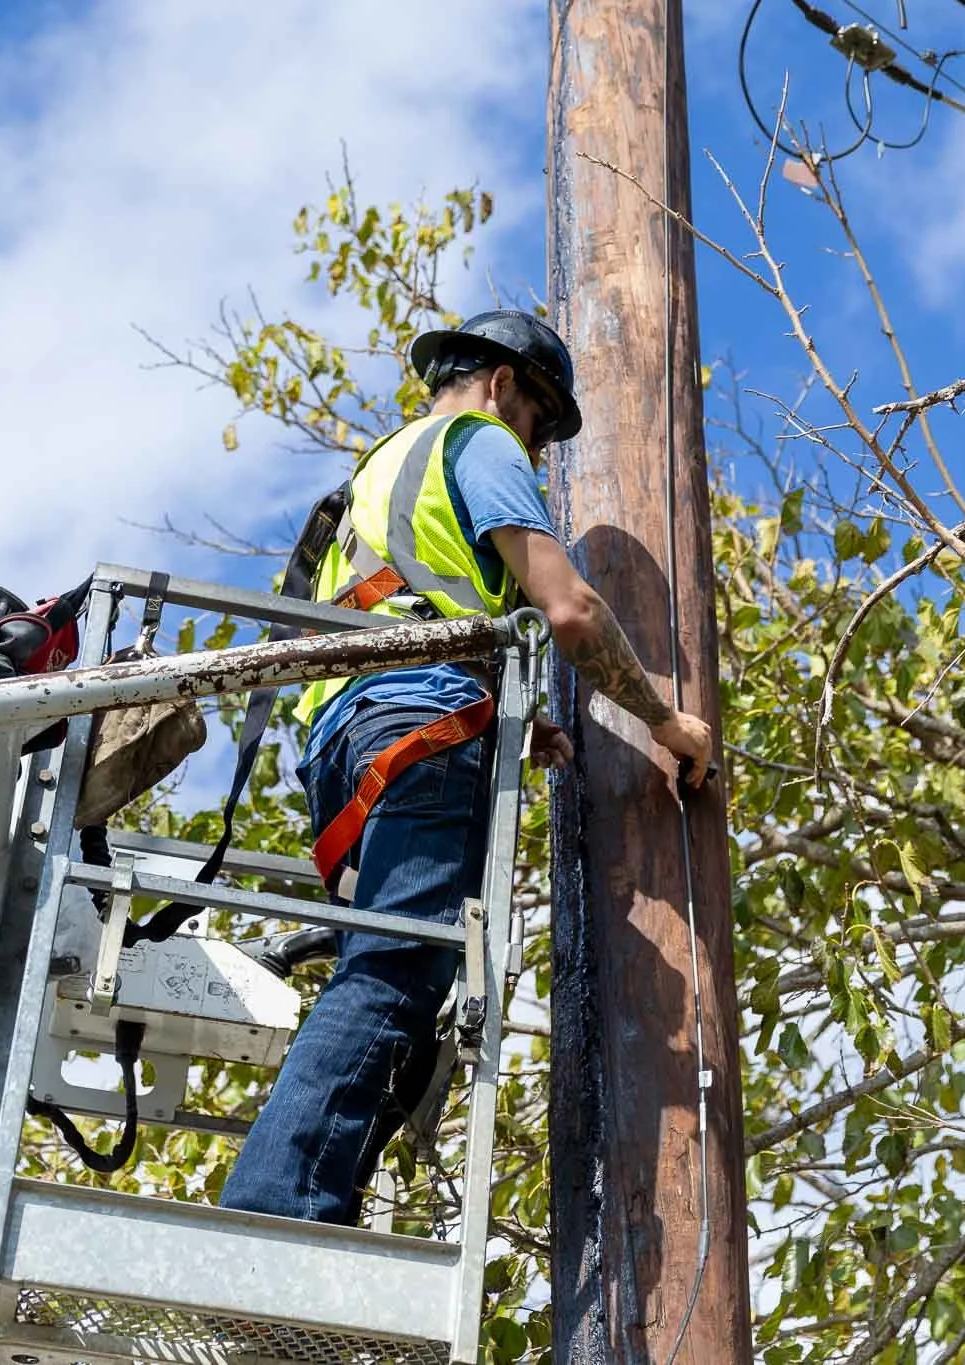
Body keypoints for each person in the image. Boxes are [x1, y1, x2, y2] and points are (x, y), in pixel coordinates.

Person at [216, 309, 713, 1225]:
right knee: (399, 967)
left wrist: (509, 719)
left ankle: (307, 1201)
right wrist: (664, 720)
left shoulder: (379, 469)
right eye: (537, 422)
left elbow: (412, 601)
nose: (531, 445)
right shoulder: (482, 441)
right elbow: (567, 609)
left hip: (348, 740)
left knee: (395, 967)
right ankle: (278, 1211)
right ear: (504, 384)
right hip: (416, 730)